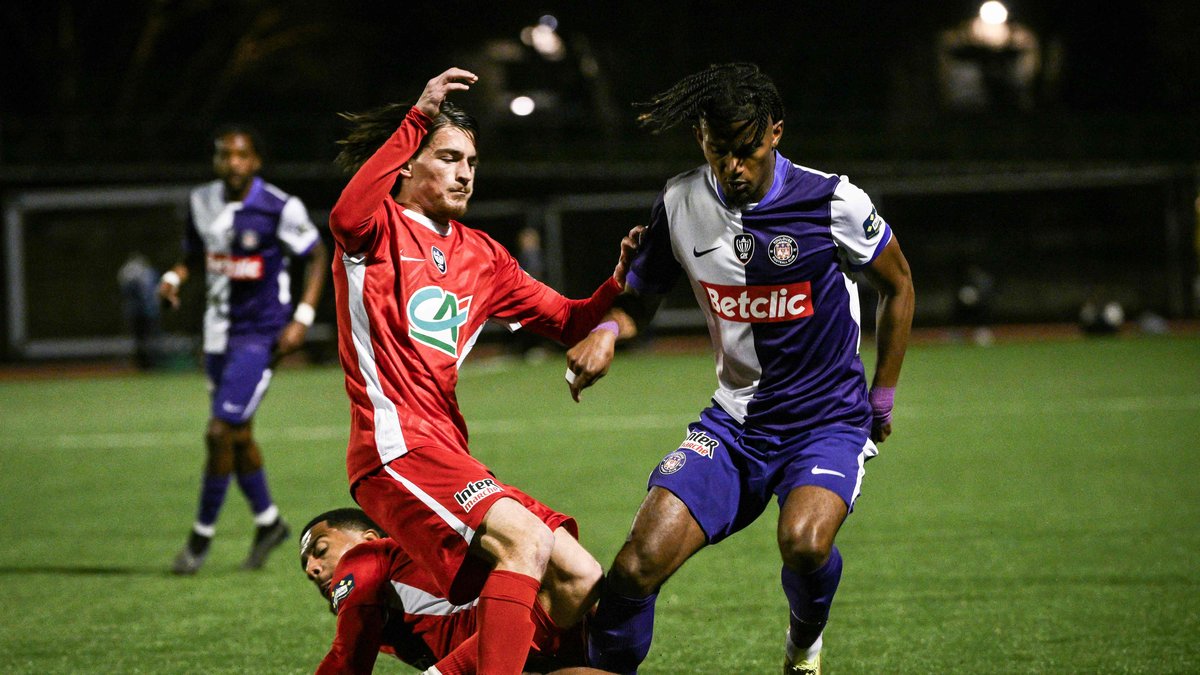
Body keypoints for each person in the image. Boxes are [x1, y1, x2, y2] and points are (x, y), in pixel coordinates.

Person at [565, 63, 916, 674]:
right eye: (719, 150)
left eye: (747, 151)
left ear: (775, 134)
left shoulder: (832, 200)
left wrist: (882, 392)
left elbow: (900, 284)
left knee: (805, 545)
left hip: (824, 420)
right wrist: (605, 332)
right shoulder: (679, 202)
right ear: (701, 139)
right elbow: (639, 300)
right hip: (734, 424)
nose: (733, 167)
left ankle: (803, 648)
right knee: (634, 567)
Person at [326, 67, 639, 675]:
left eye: (471, 161)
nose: (465, 172)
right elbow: (344, 214)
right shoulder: (374, 232)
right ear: (406, 166)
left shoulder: (483, 256)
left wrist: (618, 282)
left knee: (579, 576)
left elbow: (570, 321)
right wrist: (418, 115)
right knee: (523, 543)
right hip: (395, 448)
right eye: (447, 157)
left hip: (448, 449)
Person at [159, 124, 329, 574]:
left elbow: (317, 255)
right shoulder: (201, 202)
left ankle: (199, 539)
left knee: (219, 432)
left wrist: (303, 318)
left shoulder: (278, 206)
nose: (232, 163)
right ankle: (269, 523)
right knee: (238, 434)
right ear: (217, 161)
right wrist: (176, 277)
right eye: (224, 155)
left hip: (261, 335)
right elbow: (195, 253)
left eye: (241, 155)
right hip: (216, 334)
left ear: (255, 161)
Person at [301, 507, 608, 674]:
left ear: (369, 538)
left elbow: (347, 663)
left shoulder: (367, 557)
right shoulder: (388, 618)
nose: (312, 569)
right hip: (557, 639)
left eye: (321, 550)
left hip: (543, 617)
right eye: (307, 567)